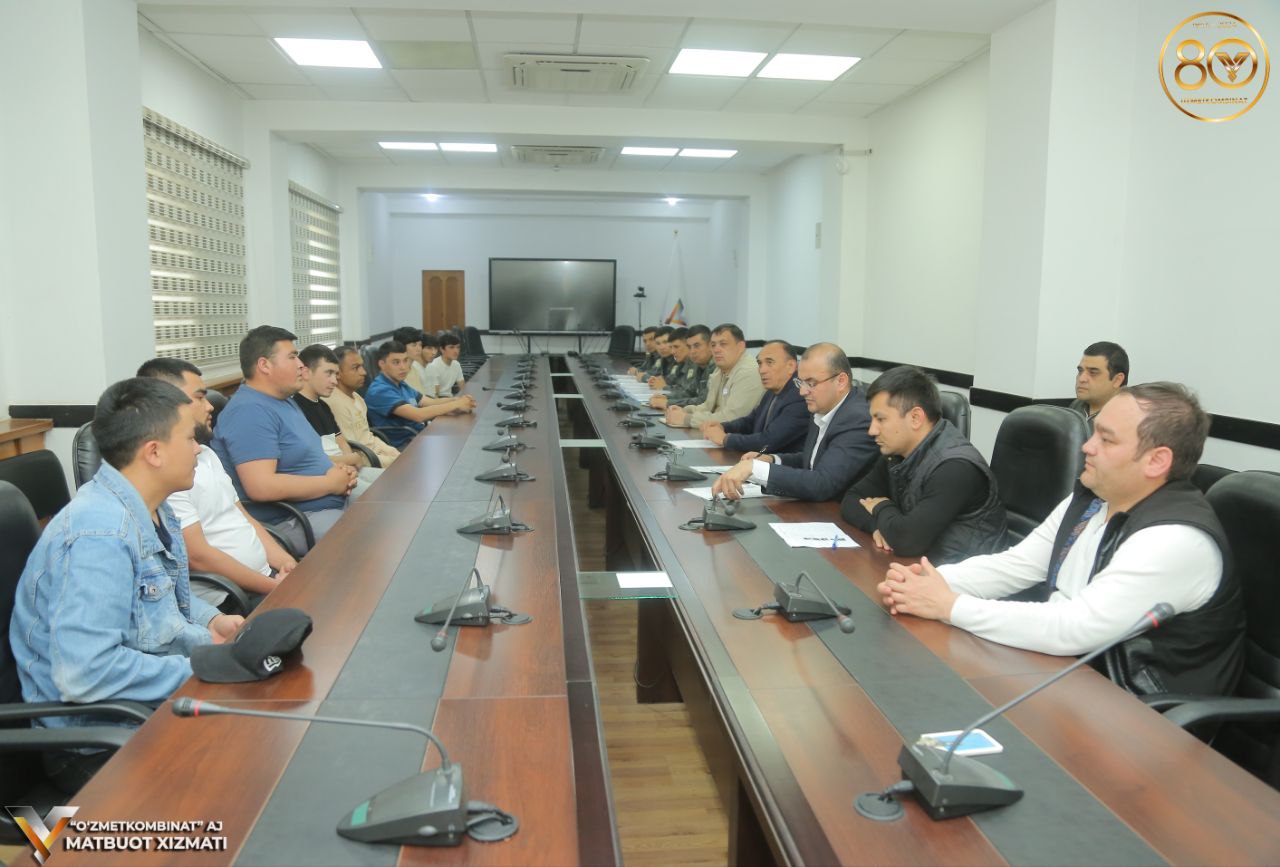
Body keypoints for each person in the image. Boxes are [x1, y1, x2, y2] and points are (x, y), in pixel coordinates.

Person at [876, 382, 1244, 698]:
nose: (1087, 447)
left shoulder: (1174, 540)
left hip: (1139, 714)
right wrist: (927, 582)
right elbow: (1017, 564)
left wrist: (948, 605)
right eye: (1094, 433)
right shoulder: (1094, 497)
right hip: (1068, 674)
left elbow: (1074, 627)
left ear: (1156, 461)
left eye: (1106, 439)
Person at [10, 377, 244, 789]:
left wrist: (211, 621)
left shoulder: (153, 508)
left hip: (147, 711)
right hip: (102, 743)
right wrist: (203, 665)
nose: (198, 449)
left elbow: (157, 597)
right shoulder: (98, 535)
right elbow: (86, 673)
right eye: (189, 438)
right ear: (153, 452)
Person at [137, 358, 296, 609]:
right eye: (199, 397)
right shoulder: (169, 472)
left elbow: (243, 517)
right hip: (229, 597)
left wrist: (288, 564)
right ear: (165, 404)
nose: (210, 406)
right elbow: (198, 557)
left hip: (266, 578)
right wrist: (274, 587)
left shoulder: (206, 454)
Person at [840, 366, 1007, 563]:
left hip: (965, 576)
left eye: (881, 419)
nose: (872, 430)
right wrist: (879, 527)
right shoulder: (896, 454)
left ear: (915, 418)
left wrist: (881, 506)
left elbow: (907, 541)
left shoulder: (956, 467)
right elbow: (851, 499)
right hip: (923, 567)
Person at [211, 325, 355, 550]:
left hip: (326, 501)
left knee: (390, 502)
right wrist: (330, 483)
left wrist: (338, 471)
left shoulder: (284, 400)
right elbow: (261, 487)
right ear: (264, 365)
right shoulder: (249, 411)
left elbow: (307, 455)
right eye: (292, 357)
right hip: (291, 520)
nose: (300, 364)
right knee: (372, 532)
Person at [714, 343, 876, 502]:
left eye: (811, 383)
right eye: (801, 382)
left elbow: (823, 483)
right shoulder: (822, 406)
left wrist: (756, 469)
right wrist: (772, 459)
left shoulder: (857, 419)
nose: (802, 391)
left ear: (841, 381)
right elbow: (812, 460)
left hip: (842, 513)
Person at [295, 344, 384, 497]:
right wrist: (349, 459)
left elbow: (341, 442)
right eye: (328, 373)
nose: (335, 381)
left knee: (392, 480)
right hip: (326, 476)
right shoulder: (295, 409)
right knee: (381, 494)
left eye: (336, 374)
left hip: (345, 469)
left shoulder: (323, 405)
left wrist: (350, 463)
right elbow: (310, 459)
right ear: (306, 372)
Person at [703, 340, 808, 453]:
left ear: (791, 366)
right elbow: (751, 421)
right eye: (760, 363)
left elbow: (767, 441)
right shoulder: (773, 390)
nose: (762, 370)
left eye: (769, 362)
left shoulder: (800, 396)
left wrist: (725, 439)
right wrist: (723, 427)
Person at [365, 339, 475, 447]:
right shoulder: (380, 390)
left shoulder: (400, 384)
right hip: (403, 445)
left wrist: (457, 400)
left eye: (405, 360)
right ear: (382, 364)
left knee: (462, 437)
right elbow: (418, 415)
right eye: (396, 362)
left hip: (418, 435)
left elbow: (430, 402)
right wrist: (456, 404)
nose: (403, 367)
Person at [665, 324, 763, 430]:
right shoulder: (720, 369)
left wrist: (687, 419)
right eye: (713, 345)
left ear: (740, 347)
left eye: (723, 344)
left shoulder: (748, 373)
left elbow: (731, 418)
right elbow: (708, 406)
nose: (716, 350)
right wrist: (684, 411)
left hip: (737, 437)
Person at [323, 345, 401, 467]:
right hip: (363, 462)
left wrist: (394, 454)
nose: (364, 372)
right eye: (356, 368)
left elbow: (367, 437)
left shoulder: (357, 397)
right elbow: (353, 449)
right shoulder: (335, 403)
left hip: (373, 454)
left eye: (362, 366)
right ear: (337, 373)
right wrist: (392, 461)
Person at [650, 325, 712, 410]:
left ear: (710, 346)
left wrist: (668, 403)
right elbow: (689, 392)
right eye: (689, 347)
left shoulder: (715, 368)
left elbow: (703, 402)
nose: (692, 351)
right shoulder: (699, 365)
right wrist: (666, 397)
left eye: (697, 346)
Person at [1071, 341, 1129, 429]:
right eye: (1080, 371)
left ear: (1117, 380)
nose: (1081, 379)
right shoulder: (1078, 405)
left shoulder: (1130, 417)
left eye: (1093, 372)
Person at [423, 332, 465, 398]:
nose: (456, 351)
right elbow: (435, 396)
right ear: (442, 349)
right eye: (451, 347)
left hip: (450, 397)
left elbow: (463, 388)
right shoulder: (434, 366)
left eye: (458, 347)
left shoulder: (456, 364)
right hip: (438, 399)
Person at [647, 327, 688, 392]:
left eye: (665, 342)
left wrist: (664, 386)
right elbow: (654, 373)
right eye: (658, 343)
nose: (661, 347)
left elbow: (672, 382)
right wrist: (653, 380)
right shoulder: (663, 358)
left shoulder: (679, 359)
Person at [393, 326, 429, 395]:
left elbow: (422, 397)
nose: (419, 349)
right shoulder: (398, 374)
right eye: (414, 345)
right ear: (401, 346)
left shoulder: (414, 368)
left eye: (420, 345)